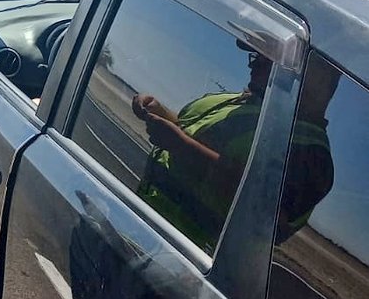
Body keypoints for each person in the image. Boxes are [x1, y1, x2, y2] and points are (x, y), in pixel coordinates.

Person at [131, 43, 333, 252]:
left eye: (267, 60)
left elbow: (264, 213)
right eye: (256, 56)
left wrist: (181, 146)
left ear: (314, 80)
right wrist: (159, 113)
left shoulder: (312, 156)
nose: (252, 65)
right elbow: (191, 132)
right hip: (140, 227)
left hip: (186, 259)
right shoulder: (240, 102)